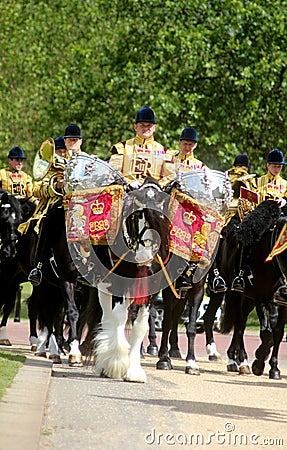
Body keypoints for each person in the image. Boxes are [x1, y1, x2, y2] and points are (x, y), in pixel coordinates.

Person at [231, 149, 287, 292]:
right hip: (261, 217)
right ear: (267, 165)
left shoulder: (285, 184)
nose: (277, 169)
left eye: (279, 166)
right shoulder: (258, 181)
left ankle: (284, 279)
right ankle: (241, 273)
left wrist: (284, 201)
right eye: (274, 165)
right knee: (247, 232)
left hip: (279, 217)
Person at [27, 136, 68, 286]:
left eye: (65, 151)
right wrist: (56, 187)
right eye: (59, 151)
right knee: (46, 223)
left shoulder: (74, 164)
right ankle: (38, 267)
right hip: (49, 207)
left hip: (74, 205)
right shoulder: (46, 167)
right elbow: (36, 189)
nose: (63, 154)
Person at [109, 106, 174, 186]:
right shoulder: (122, 147)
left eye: (149, 125)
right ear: (135, 127)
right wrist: (128, 182)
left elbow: (171, 176)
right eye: (142, 125)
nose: (146, 128)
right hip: (127, 191)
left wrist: (157, 185)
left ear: (154, 128)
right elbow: (113, 172)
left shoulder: (165, 152)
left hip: (155, 194)